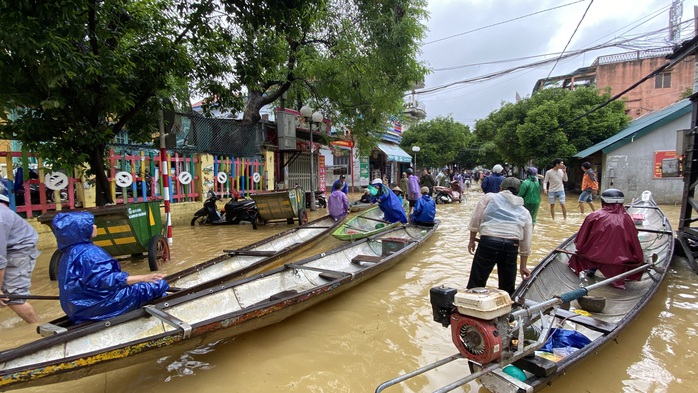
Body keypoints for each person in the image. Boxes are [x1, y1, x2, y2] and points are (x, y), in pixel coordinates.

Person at [52, 211, 170, 323]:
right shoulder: (90, 252)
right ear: (82, 229)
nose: (95, 226)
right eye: (91, 224)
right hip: (96, 306)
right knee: (158, 285)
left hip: (75, 309)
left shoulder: (66, 254)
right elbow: (107, 280)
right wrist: (143, 278)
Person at [467, 177, 532, 296]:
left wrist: (472, 240)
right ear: (518, 192)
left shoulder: (489, 197)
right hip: (511, 246)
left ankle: (470, 308)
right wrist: (523, 266)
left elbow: (476, 219)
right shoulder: (524, 211)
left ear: (501, 188)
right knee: (507, 288)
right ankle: (506, 311)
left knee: (476, 283)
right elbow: (526, 240)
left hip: (488, 242)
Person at [568, 189, 644, 290]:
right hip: (617, 263)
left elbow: (580, 241)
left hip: (592, 258)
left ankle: (591, 270)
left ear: (603, 202)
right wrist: (639, 259)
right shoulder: (627, 219)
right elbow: (634, 243)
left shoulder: (593, 216)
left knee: (590, 255)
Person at [0, 184, 41, 324]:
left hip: (19, 249)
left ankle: (37, 326)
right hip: (8, 247)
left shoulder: (1, 217)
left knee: (12, 296)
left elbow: (0, 259)